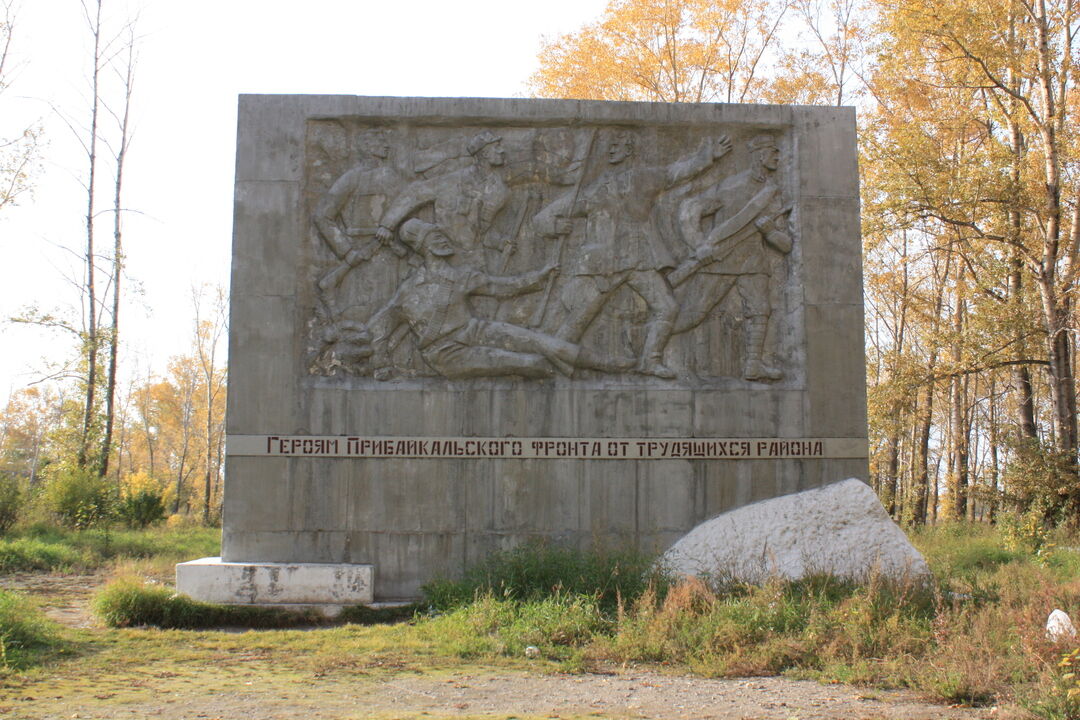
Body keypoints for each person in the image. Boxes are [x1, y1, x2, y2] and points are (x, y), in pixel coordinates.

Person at [532, 130, 731, 379]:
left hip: (639, 260)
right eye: (610, 145)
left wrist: (707, 157)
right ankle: (546, 363)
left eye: (618, 145)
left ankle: (650, 360)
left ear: (629, 150)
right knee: (578, 321)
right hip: (602, 265)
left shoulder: (644, 178)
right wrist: (555, 227)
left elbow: (674, 173)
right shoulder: (594, 189)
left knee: (667, 308)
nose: (612, 149)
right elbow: (542, 218)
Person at [365, 219, 588, 380]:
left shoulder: (461, 276)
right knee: (530, 364)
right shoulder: (409, 290)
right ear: (424, 247)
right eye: (435, 237)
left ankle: (604, 364)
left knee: (541, 342)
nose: (443, 240)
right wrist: (381, 364)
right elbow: (380, 326)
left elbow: (502, 287)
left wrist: (539, 277)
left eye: (442, 235)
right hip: (446, 354)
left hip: (475, 331)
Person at [673, 134, 793, 381]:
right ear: (760, 155)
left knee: (761, 311)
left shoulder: (773, 193)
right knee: (693, 315)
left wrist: (769, 230)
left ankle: (753, 365)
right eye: (774, 153)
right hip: (719, 261)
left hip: (753, 263)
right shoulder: (730, 186)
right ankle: (643, 342)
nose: (778, 158)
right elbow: (690, 210)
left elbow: (786, 244)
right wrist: (698, 244)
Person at [374, 131, 512, 267]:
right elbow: (414, 192)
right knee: (408, 228)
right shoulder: (452, 181)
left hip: (471, 260)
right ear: (485, 153)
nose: (502, 151)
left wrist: (500, 242)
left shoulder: (499, 191)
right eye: (497, 147)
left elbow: (481, 232)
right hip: (439, 255)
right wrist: (387, 225)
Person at [312, 129, 408, 292]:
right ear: (367, 146)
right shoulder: (352, 178)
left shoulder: (393, 177)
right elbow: (322, 216)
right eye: (380, 141)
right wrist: (346, 251)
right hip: (359, 255)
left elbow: (407, 209)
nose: (387, 145)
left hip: (390, 257)